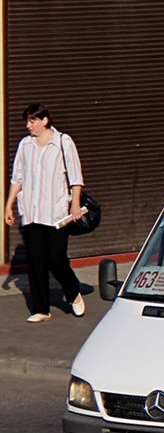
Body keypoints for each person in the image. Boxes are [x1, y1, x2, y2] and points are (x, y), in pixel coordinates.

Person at [4, 104, 85, 323]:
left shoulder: (62, 142)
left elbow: (75, 178)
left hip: (57, 212)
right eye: (27, 121)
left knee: (55, 258)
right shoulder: (25, 145)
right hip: (31, 211)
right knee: (36, 261)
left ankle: (73, 291)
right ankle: (41, 309)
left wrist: (75, 205)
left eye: (32, 121)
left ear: (45, 120)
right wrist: (8, 205)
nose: (28, 126)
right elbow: (17, 178)